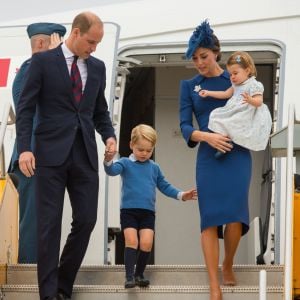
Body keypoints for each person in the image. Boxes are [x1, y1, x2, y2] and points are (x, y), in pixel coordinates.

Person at [16, 12, 117, 300]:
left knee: (86, 220)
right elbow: (25, 108)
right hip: (49, 154)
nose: (94, 48)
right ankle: (49, 295)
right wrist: (25, 148)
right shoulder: (42, 62)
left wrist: (108, 136)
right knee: (48, 225)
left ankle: (62, 284)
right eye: (90, 42)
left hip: (84, 153)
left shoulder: (97, 68)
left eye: (98, 43)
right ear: (75, 32)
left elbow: (99, 111)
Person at [179, 20, 253, 300]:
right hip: (208, 156)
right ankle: (214, 284)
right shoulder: (189, 86)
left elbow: (252, 111)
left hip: (237, 153)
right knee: (209, 219)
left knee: (235, 215)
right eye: (195, 58)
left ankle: (228, 262)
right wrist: (207, 137)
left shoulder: (234, 80)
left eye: (204, 56)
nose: (199, 62)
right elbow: (185, 126)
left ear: (216, 53)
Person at [103, 124, 197, 289]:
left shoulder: (154, 168)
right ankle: (129, 277)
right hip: (129, 212)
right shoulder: (125, 163)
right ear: (132, 145)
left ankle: (139, 274)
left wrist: (182, 195)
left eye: (149, 150)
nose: (144, 154)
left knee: (146, 243)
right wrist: (108, 160)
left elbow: (165, 186)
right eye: (140, 150)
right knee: (132, 241)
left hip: (147, 213)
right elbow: (111, 171)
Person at [9, 22, 66, 264]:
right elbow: (28, 113)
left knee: (45, 220)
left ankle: (41, 272)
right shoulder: (31, 69)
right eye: (58, 44)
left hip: (44, 158)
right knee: (34, 221)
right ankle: (30, 276)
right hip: (32, 159)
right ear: (42, 43)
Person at [199, 51, 272, 158]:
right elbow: (225, 94)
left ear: (247, 71)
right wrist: (209, 93)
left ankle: (228, 142)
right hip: (234, 110)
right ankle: (225, 142)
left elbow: (259, 102)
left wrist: (250, 100)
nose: (232, 77)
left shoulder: (254, 85)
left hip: (245, 112)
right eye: (230, 74)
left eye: (235, 73)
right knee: (215, 115)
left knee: (236, 122)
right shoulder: (235, 85)